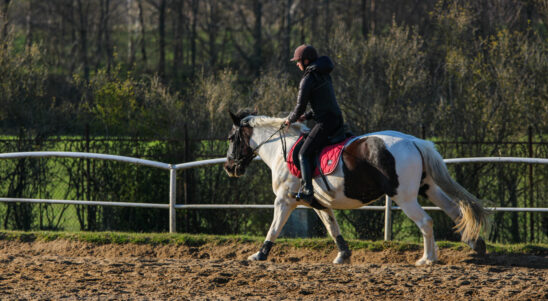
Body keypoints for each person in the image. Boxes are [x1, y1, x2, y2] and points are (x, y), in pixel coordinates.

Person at [285, 44, 344, 204]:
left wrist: (290, 119)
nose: (297, 64)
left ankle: (307, 191)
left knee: (303, 153)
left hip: (325, 123)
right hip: (337, 119)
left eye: (298, 61)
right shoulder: (324, 74)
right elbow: (324, 103)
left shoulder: (308, 79)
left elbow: (299, 106)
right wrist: (307, 116)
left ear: (305, 60)